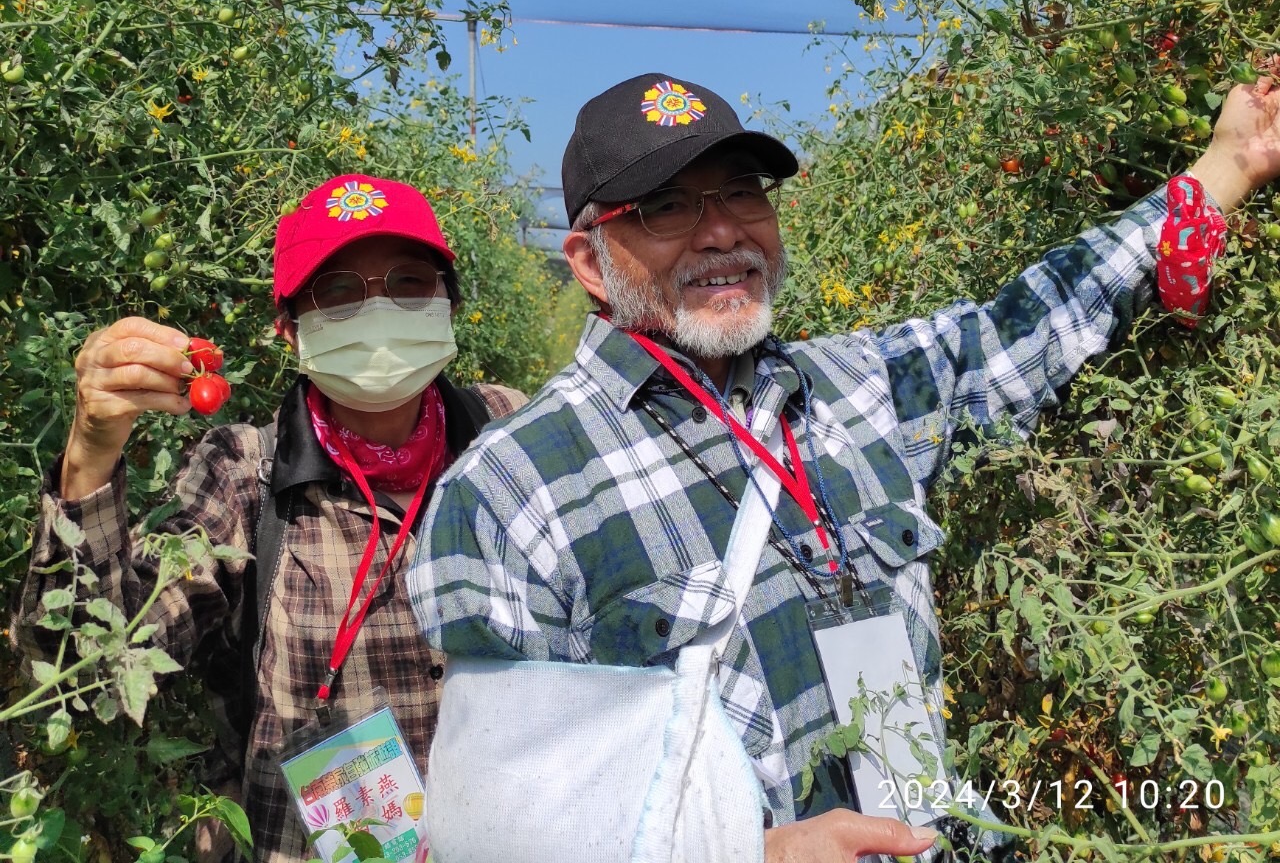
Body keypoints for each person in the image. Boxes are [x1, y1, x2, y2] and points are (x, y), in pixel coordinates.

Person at [409, 72, 1280, 863]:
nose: (722, 231)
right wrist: (755, 856)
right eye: (665, 208)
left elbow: (1033, 323)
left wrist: (1229, 164)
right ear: (591, 263)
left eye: (743, 192)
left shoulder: (855, 388)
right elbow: (507, 828)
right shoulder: (507, 493)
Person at [14, 175, 526, 863]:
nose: (379, 312)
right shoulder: (242, 474)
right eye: (339, 291)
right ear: (289, 328)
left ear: (448, 302)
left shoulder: (510, 435)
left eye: (410, 281)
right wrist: (91, 455)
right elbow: (84, 674)